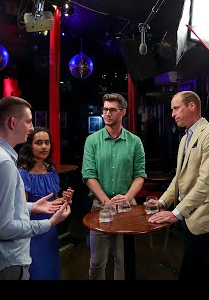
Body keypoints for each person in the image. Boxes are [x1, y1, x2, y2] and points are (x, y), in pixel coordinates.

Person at [0, 96, 71, 280]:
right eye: (29, 122)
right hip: (3, 265)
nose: (32, 128)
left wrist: (32, 207)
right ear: (12, 122)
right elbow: (3, 228)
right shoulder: (3, 162)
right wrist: (49, 223)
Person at [148, 90, 209, 281]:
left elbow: (206, 182)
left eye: (176, 108)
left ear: (191, 106)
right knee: (202, 273)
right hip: (189, 217)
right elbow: (179, 177)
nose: (173, 114)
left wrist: (175, 213)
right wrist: (162, 202)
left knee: (190, 273)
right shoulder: (185, 137)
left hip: (204, 219)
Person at [81, 93, 147, 280]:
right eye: (105, 110)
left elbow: (140, 175)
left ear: (123, 112)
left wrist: (126, 197)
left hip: (127, 207)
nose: (107, 114)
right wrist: (106, 201)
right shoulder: (92, 141)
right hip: (99, 206)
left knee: (122, 259)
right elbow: (88, 175)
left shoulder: (135, 142)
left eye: (112, 110)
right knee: (97, 261)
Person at [17, 127, 74, 280]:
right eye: (39, 143)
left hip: (51, 228)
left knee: (51, 270)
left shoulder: (51, 170)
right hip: (32, 231)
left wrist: (65, 200)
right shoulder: (23, 174)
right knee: (37, 272)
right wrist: (48, 206)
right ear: (30, 146)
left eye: (47, 143)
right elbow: (20, 211)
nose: (44, 147)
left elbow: (54, 202)